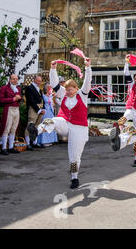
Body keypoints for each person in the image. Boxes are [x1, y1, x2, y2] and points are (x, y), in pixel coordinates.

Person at [27, 58, 92, 189]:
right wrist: (53, 68)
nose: (68, 92)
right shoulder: (63, 94)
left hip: (79, 128)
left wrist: (88, 67)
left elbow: (87, 82)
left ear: (76, 88)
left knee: (74, 157)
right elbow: (55, 83)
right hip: (66, 123)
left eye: (70, 89)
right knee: (53, 120)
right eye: (66, 89)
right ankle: (36, 131)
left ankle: (74, 178)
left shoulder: (82, 94)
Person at [112, 54, 136, 167]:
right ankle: (117, 135)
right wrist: (126, 62)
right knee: (122, 119)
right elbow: (126, 73)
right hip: (130, 108)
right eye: (135, 78)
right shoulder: (132, 84)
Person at [0, 74, 22, 155]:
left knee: (14, 128)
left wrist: (19, 98)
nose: (15, 80)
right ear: (10, 80)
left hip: (16, 109)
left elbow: (18, 100)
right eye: (13, 79)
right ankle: (4, 148)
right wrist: (13, 99)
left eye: (16, 79)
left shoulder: (18, 88)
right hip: (9, 109)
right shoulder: (4, 88)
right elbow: (0, 100)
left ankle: (11, 147)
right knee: (6, 128)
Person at [24, 75, 46, 150]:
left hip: (40, 109)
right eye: (38, 81)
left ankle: (34, 142)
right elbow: (30, 100)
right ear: (34, 80)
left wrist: (43, 109)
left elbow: (42, 99)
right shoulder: (29, 88)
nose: (40, 82)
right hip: (33, 109)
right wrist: (38, 109)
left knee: (37, 126)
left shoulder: (39, 89)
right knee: (30, 125)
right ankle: (27, 144)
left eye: (40, 81)